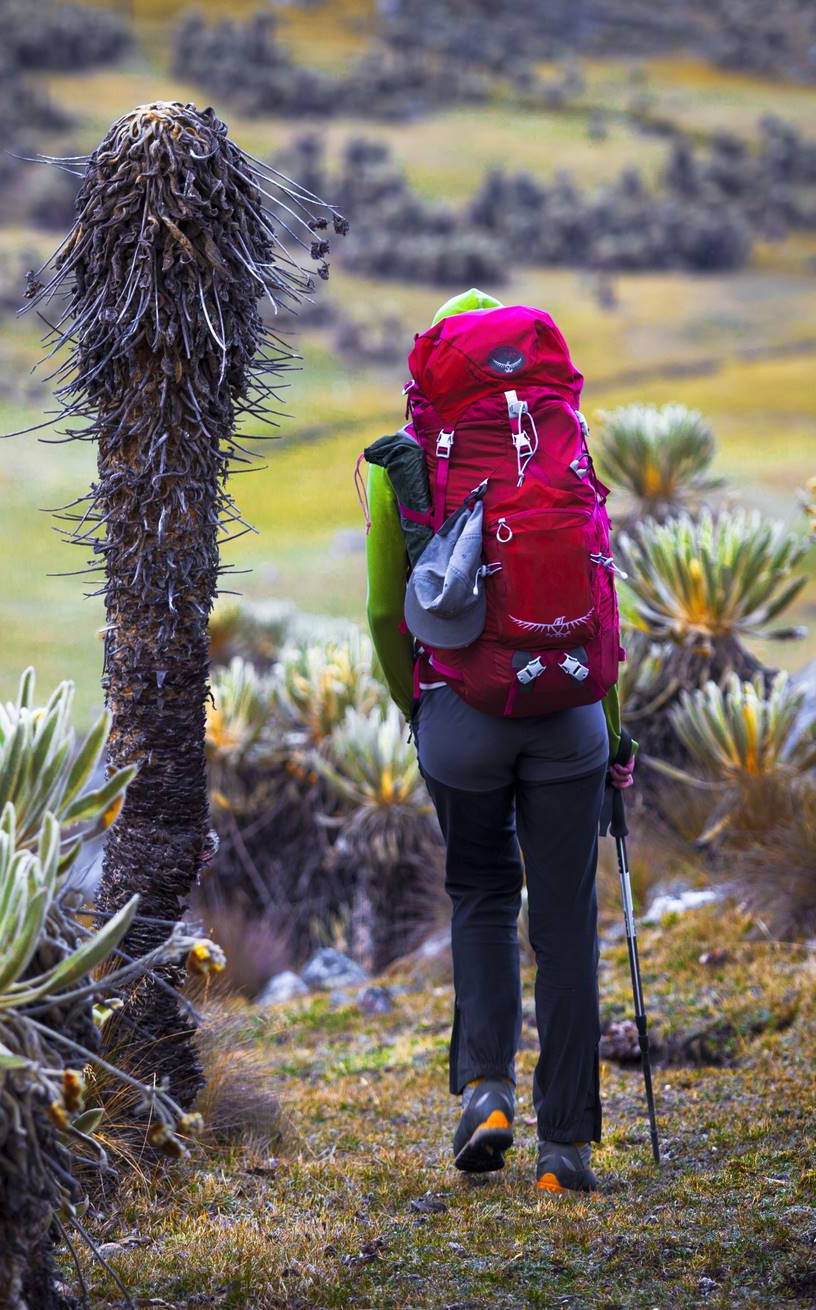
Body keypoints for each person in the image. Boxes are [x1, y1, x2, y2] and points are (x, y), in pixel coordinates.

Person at [362, 288, 634, 1195]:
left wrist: (421, 710)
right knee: (564, 925)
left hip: (462, 720)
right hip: (571, 715)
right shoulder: (560, 437)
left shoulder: (413, 460)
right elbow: (598, 600)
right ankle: (566, 1151)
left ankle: (485, 1092)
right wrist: (613, 728)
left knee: (480, 889)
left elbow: (382, 611)